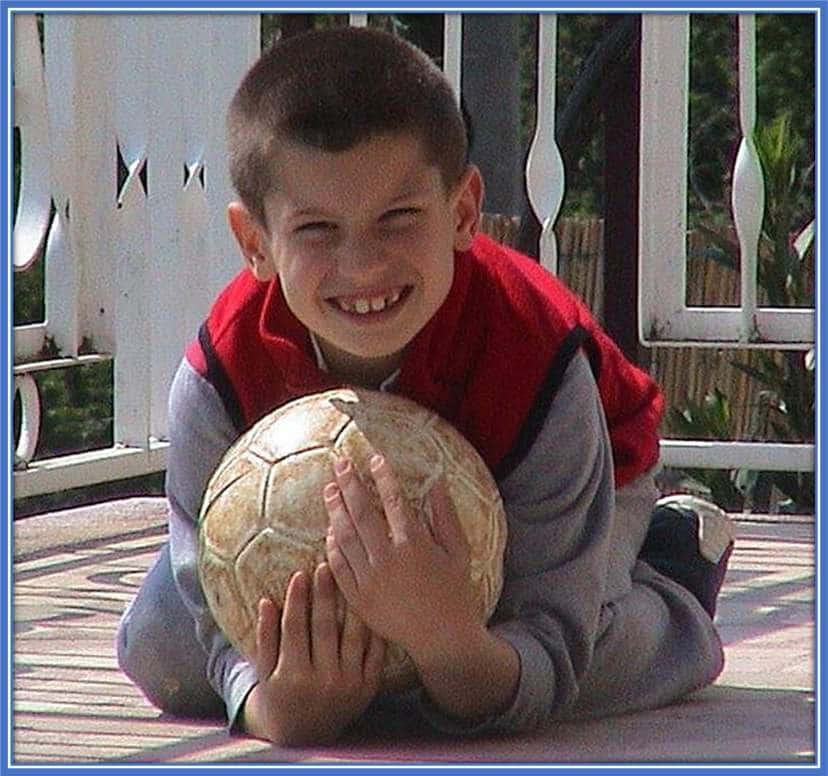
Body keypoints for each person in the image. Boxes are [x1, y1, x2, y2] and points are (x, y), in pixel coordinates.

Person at [116, 26, 735, 746]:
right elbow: (203, 596)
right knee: (159, 646)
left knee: (553, 663)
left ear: (464, 212)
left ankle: (673, 579)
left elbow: (547, 628)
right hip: (337, 530)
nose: (363, 265)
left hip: (573, 481)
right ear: (255, 243)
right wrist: (273, 706)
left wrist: (451, 644)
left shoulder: (535, 358)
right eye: (316, 229)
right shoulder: (219, 374)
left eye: (398, 219)